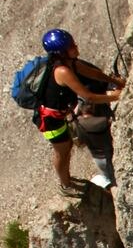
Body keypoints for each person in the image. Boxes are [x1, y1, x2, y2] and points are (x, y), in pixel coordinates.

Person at [35, 28, 123, 195]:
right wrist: (118, 96)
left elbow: (95, 74)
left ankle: (66, 182)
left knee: (67, 147)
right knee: (63, 151)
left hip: (58, 113)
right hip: (51, 121)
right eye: (71, 46)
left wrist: (115, 81)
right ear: (61, 53)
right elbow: (88, 97)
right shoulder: (62, 71)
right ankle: (65, 186)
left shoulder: (71, 62)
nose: (75, 46)